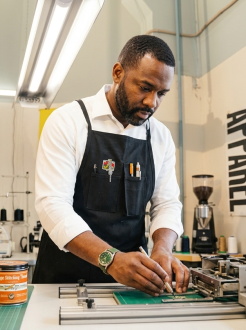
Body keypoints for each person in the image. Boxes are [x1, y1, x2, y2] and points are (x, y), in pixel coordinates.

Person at [32, 35, 190, 296]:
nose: (153, 102)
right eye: (145, 87)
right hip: (63, 281)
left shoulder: (159, 137)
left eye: (162, 93)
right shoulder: (68, 121)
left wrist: (162, 249)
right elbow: (52, 204)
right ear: (118, 73)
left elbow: (167, 203)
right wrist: (112, 259)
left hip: (130, 285)